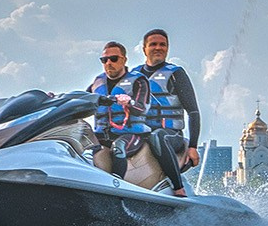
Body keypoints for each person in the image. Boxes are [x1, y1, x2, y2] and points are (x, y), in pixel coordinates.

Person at [131, 27, 201, 197]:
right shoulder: (133, 75)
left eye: (163, 44)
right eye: (153, 44)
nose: (158, 48)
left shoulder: (176, 74)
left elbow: (193, 112)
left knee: (158, 136)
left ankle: (178, 188)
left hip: (170, 135)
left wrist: (193, 147)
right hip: (142, 133)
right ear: (144, 49)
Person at [84, 40, 142, 180]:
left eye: (114, 59)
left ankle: (117, 184)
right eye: (104, 60)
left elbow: (142, 108)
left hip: (129, 135)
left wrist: (129, 102)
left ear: (124, 60)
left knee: (118, 148)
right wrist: (59, 100)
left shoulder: (138, 81)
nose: (109, 63)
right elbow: (82, 101)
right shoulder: (97, 83)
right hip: (102, 134)